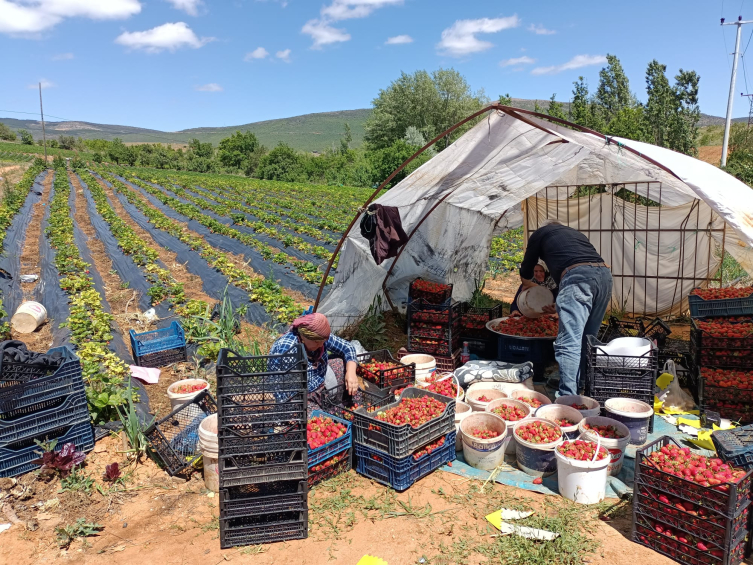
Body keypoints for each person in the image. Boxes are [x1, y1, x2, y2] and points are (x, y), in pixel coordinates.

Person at [519, 220, 612, 396]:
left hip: (578, 277)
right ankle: (584, 385)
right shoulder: (574, 234)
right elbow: (581, 265)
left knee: (569, 342)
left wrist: (529, 281)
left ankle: (567, 398)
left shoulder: (541, 233)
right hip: (605, 276)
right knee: (588, 338)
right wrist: (560, 302)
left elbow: (526, 271)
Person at [269, 312, 359, 414]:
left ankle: (351, 406)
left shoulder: (320, 336)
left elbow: (347, 347)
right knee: (319, 422)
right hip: (300, 396)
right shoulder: (287, 350)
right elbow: (279, 389)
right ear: (304, 336)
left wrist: (351, 373)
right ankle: (324, 410)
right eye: (317, 342)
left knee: (342, 364)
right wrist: (290, 412)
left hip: (319, 382)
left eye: (323, 341)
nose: (321, 344)